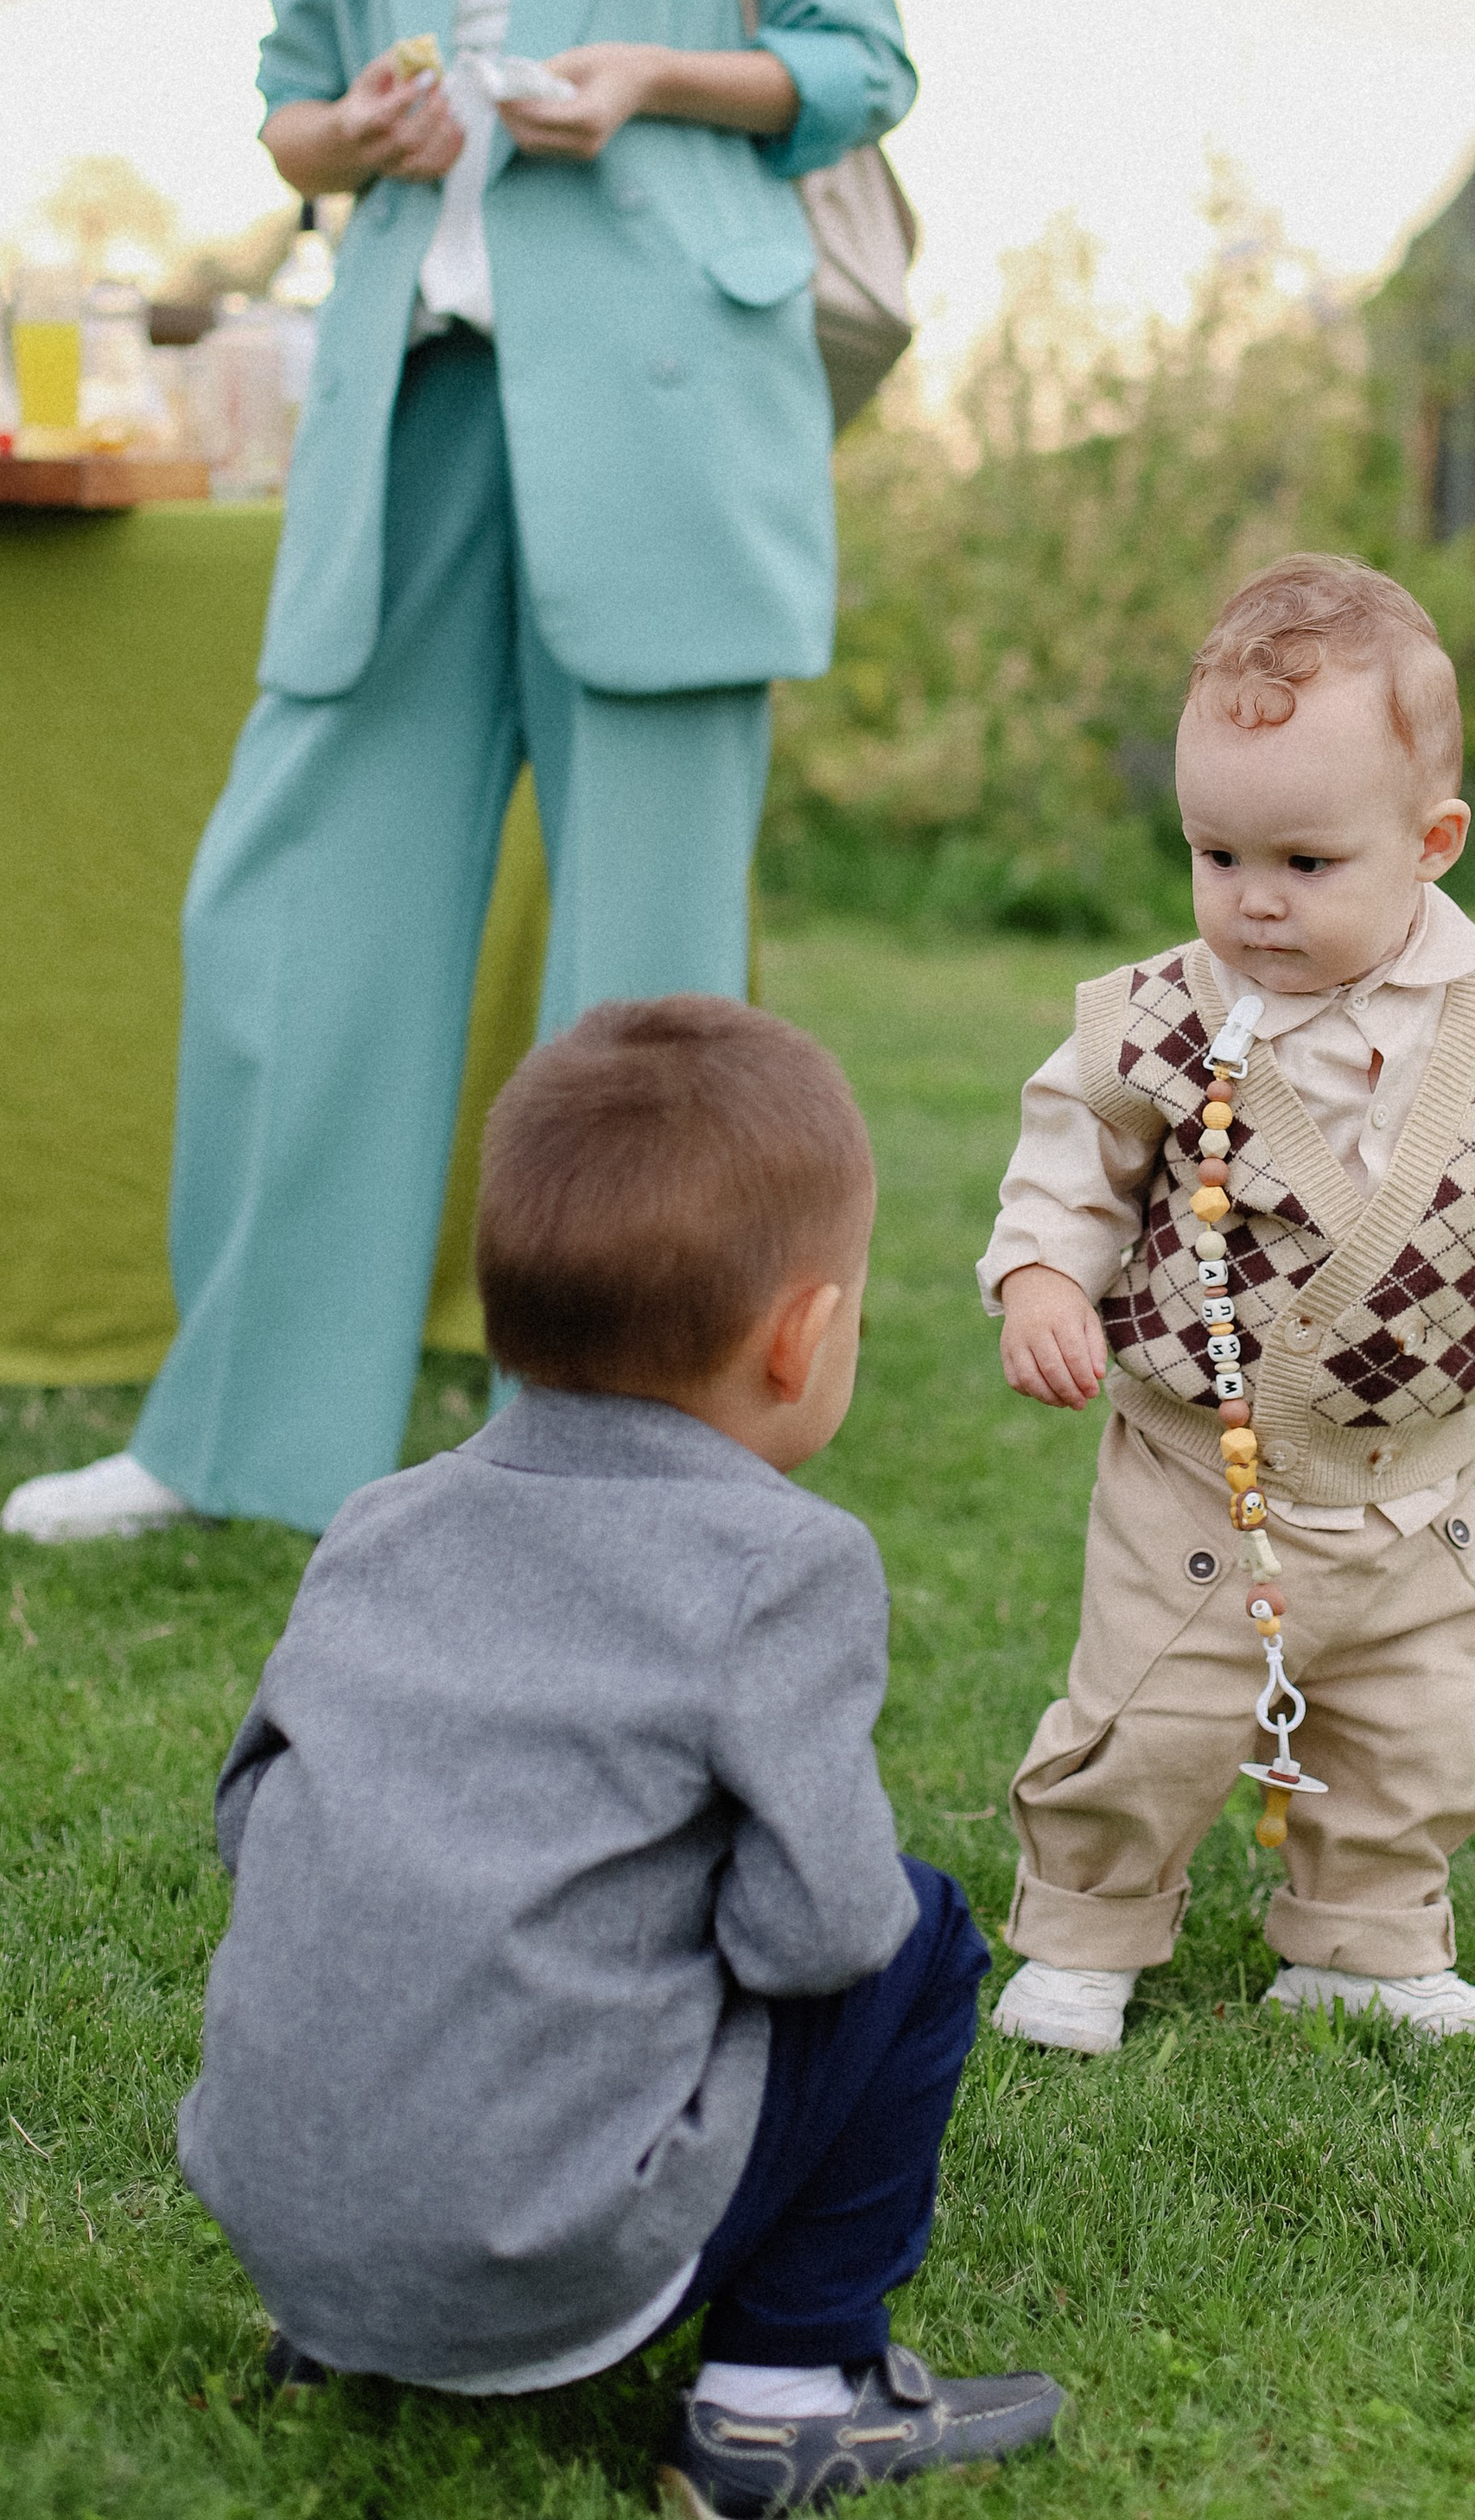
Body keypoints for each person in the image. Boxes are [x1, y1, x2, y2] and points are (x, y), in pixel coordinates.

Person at [6, 0, 913, 1546]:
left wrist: (649, 78)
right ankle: (242, 1436)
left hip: (676, 407)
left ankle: (660, 1459)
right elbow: (289, 116)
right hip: (413, 394)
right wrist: (359, 132)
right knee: (294, 913)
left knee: (650, 986)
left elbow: (863, 53)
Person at [177, 996, 1063, 2515]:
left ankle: (352, 2322)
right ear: (805, 1336)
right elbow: (822, 1930)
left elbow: (257, 1816)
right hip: (545, 2250)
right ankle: (786, 2390)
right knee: (921, 1933)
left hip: (282, 2224)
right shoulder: (782, 1563)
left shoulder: (382, 1520)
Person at [981, 555, 1475, 2055]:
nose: (1252, 900)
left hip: (1409, 1489)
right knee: (1152, 1712)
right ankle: (1088, 1931)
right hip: (1202, 1466)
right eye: (1215, 852)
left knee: (1418, 1724)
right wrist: (1044, 1269)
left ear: (1431, 840)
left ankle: (1365, 1942)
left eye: (1306, 863)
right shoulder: (1158, 1018)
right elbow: (1072, 1157)